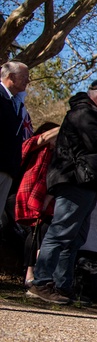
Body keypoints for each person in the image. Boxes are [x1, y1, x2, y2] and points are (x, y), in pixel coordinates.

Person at [27, 79, 97, 304]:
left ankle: (62, 285)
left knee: (75, 238)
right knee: (61, 232)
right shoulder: (84, 114)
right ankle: (41, 282)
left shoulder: (89, 114)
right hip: (75, 180)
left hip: (85, 183)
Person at [14, 123, 59, 285]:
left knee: (44, 229)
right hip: (21, 196)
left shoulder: (56, 156)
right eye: (56, 138)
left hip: (44, 201)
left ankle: (39, 275)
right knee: (34, 230)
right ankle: (30, 273)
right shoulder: (34, 147)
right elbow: (41, 139)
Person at [0, 62, 32, 235]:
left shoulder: (17, 104)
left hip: (8, 168)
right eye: (24, 76)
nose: (28, 80)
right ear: (11, 76)